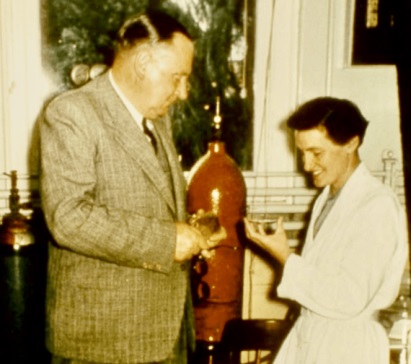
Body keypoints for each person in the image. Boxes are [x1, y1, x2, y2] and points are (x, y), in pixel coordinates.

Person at [40, 10, 225, 364]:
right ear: (142, 63)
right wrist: (169, 240)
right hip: (102, 345)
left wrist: (191, 228)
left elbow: (150, 204)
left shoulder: (157, 119)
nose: (183, 92)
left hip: (164, 335)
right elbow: (68, 218)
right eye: (177, 77)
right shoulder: (72, 113)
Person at [244, 97, 409, 363]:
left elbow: (349, 298)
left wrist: (286, 257)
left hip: (348, 348)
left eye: (316, 153)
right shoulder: (326, 198)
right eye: (302, 153)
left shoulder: (377, 206)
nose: (307, 165)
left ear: (351, 143)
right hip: (314, 338)